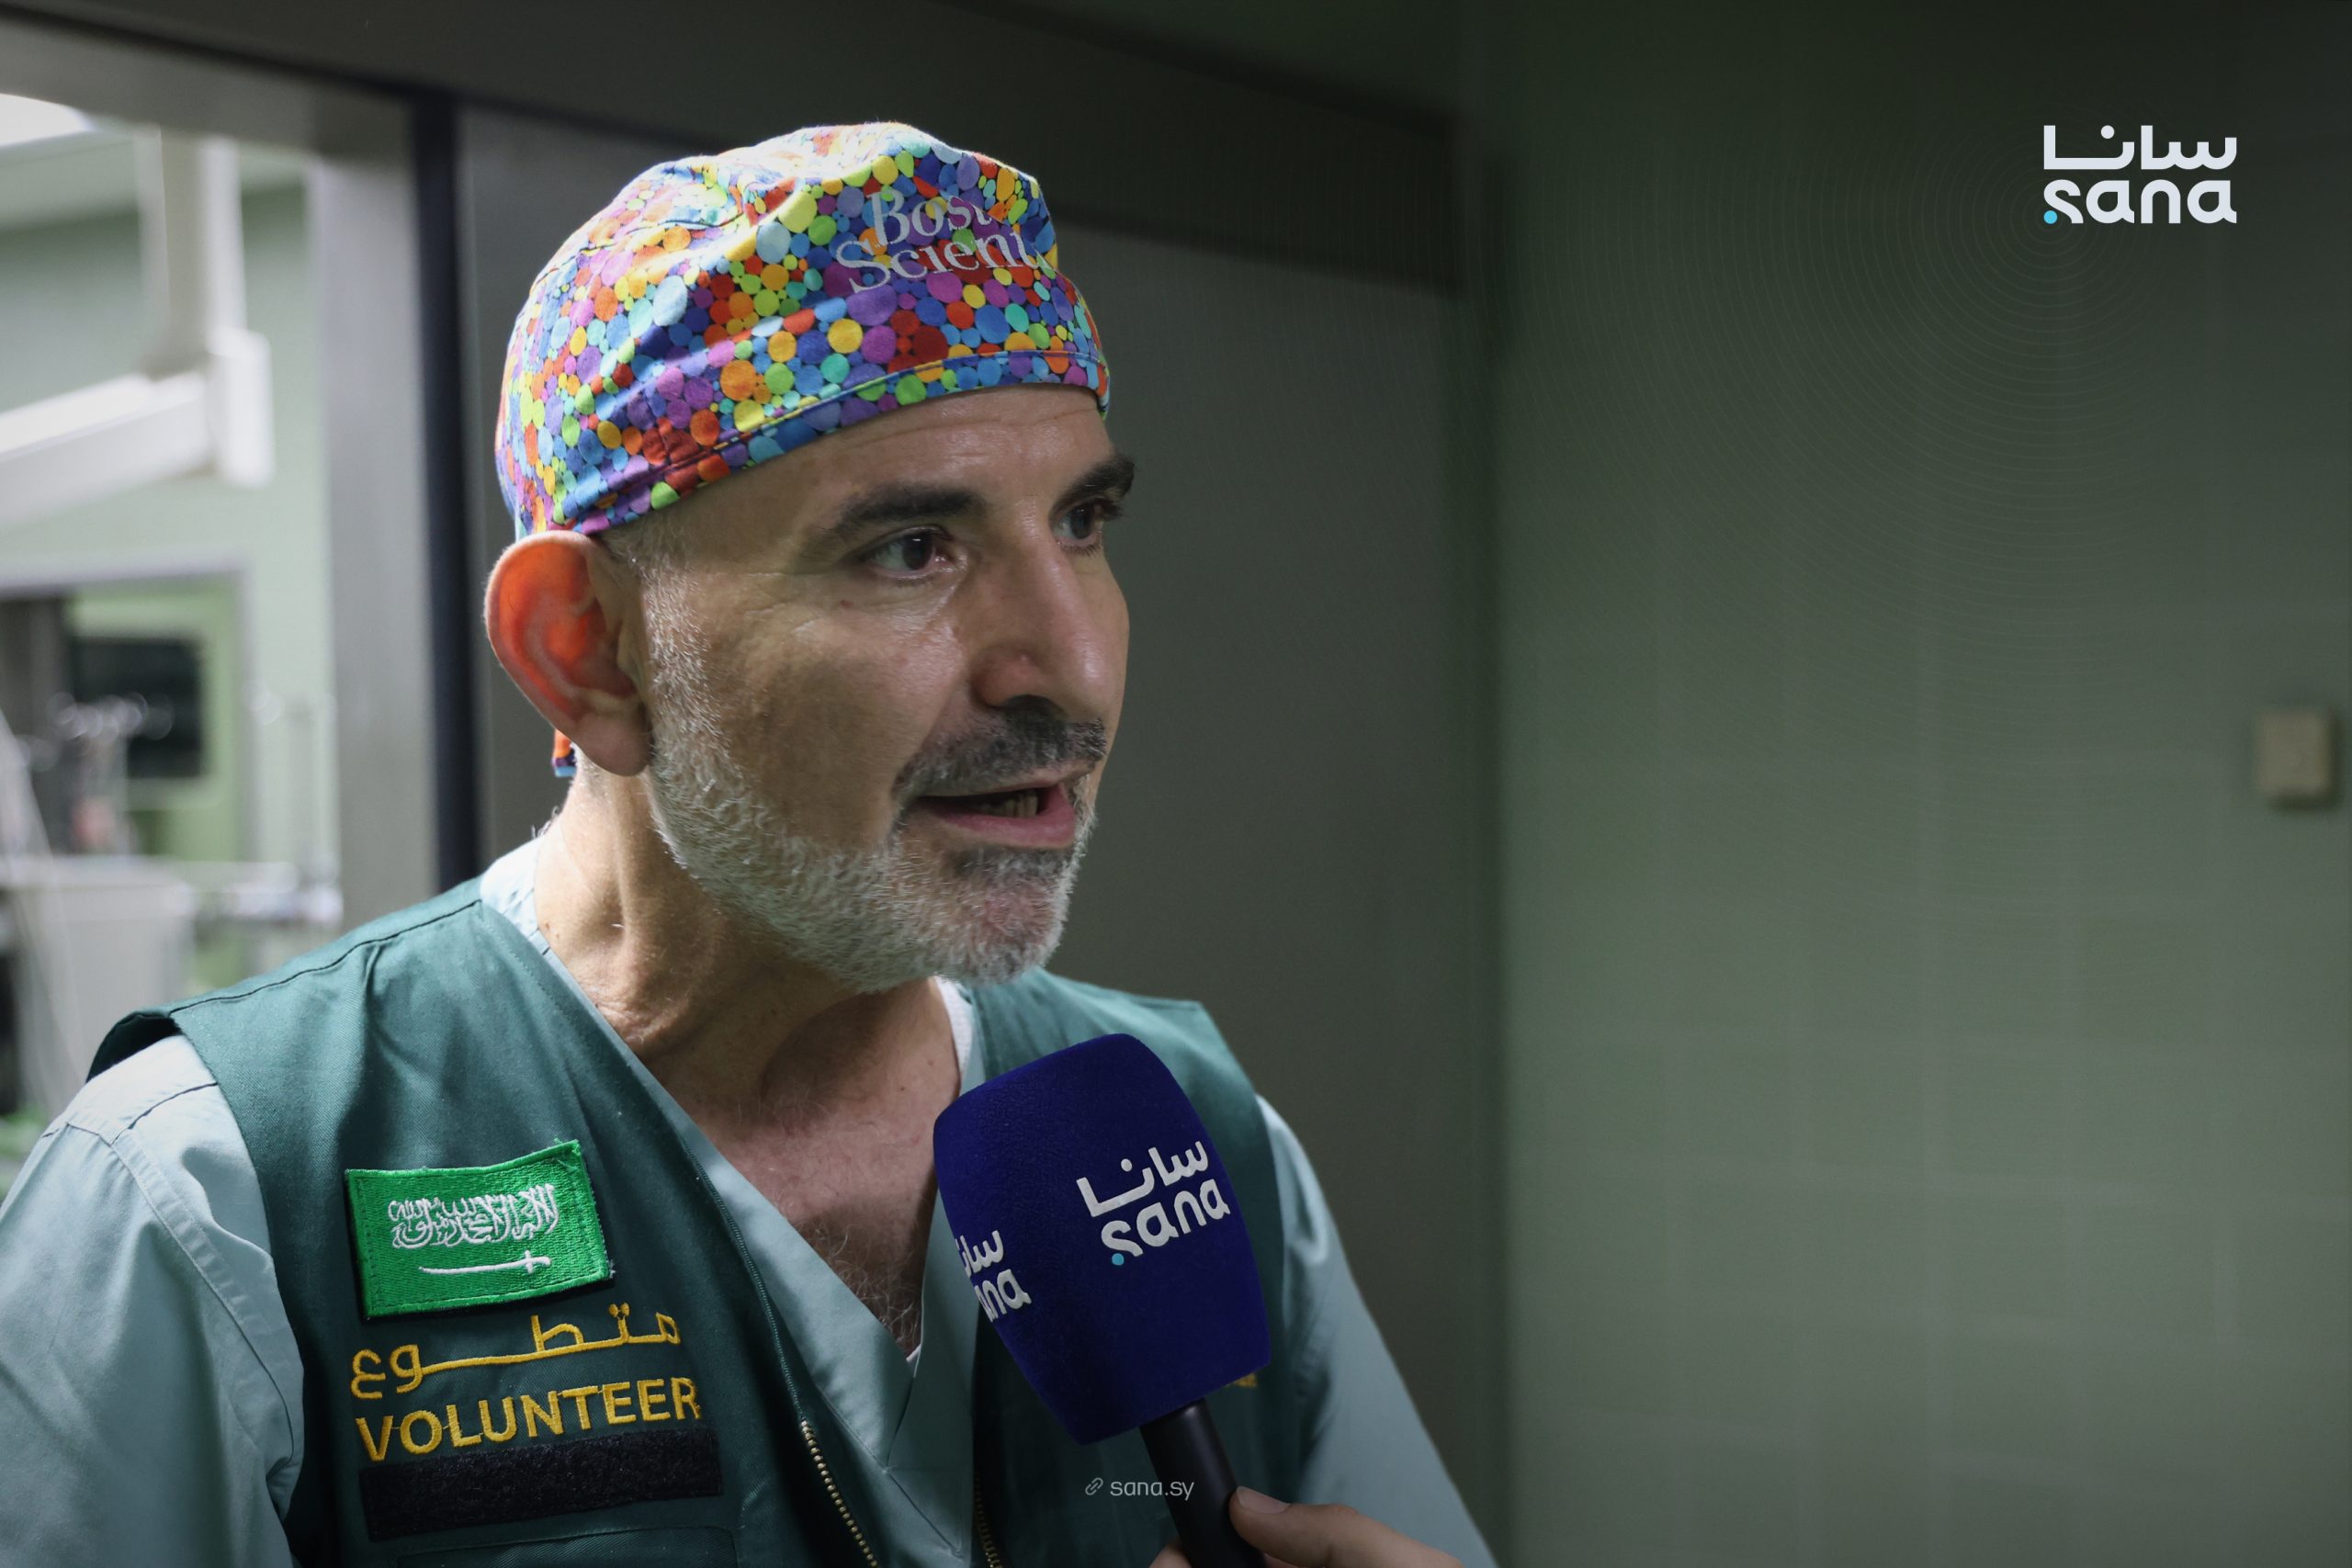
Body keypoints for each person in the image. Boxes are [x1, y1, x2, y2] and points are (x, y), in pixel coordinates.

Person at [0, 122, 1491, 1568]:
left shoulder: (1200, 1141)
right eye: (912, 549)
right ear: (588, 649)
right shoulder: (213, 1204)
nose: (1071, 669)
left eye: (1083, 523)